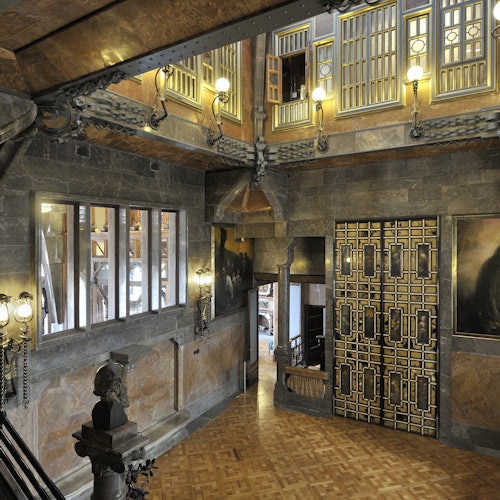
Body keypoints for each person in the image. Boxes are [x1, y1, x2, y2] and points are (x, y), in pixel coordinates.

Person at [92, 361, 129, 430]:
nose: (125, 388)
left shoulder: (99, 407)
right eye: (124, 383)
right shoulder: (114, 410)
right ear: (115, 386)